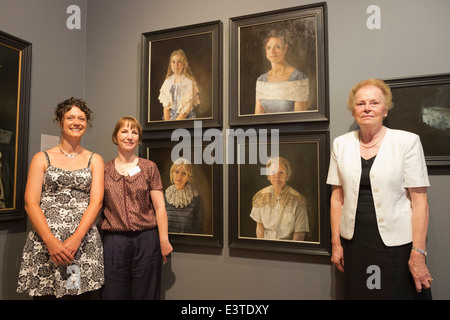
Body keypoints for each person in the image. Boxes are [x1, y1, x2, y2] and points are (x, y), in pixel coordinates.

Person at [327, 78, 433, 299]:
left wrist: (418, 252)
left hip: (396, 246)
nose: (367, 108)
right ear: (353, 110)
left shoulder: (408, 142)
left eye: (374, 103)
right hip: (354, 244)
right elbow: (337, 199)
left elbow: (420, 203)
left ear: (385, 110)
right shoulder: (341, 144)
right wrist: (336, 244)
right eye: (360, 103)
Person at [17, 97, 104, 299]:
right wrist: (51, 242)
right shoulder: (41, 158)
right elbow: (31, 203)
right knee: (46, 294)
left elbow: (96, 202)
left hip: (81, 246)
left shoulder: (94, 160)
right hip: (45, 244)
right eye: (70, 117)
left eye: (81, 119)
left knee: (75, 293)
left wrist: (76, 239)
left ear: (86, 123)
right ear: (60, 121)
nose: (76, 122)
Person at [100, 116, 172, 300]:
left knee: (145, 294)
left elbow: (160, 207)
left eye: (134, 132)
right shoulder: (103, 169)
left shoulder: (149, 168)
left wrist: (163, 240)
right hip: (114, 242)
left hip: (146, 240)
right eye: (124, 131)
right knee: (112, 294)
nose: (129, 136)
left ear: (138, 138)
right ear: (116, 136)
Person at [250, 156, 309, 241]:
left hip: (288, 248)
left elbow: (299, 234)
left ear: (287, 175)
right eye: (273, 172)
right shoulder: (260, 196)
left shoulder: (298, 200)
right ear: (268, 176)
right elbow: (260, 228)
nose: (277, 176)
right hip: (266, 245)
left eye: (281, 172)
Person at [255, 29, 309, 114]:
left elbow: (300, 120)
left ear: (285, 48)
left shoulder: (298, 78)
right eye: (269, 47)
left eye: (277, 47)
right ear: (265, 50)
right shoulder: (261, 80)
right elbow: (257, 119)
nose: (272, 51)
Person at [158, 49, 200, 120]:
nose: (176, 65)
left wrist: (175, 124)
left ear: (184, 63)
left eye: (179, 61)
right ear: (170, 64)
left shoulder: (189, 83)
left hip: (185, 120)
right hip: (170, 121)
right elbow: (166, 106)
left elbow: (186, 109)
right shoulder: (167, 82)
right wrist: (167, 124)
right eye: (173, 62)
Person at [165, 158, 204, 234]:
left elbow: (198, 228)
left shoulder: (197, 200)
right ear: (172, 174)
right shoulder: (164, 197)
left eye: (184, 173)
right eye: (177, 172)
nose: (179, 176)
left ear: (188, 177)